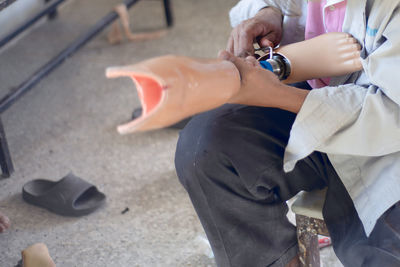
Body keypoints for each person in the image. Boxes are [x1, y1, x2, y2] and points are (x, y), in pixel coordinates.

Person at [174, 0, 400, 266]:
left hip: (386, 139)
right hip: (320, 95)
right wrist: (270, 14)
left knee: (378, 251)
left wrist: (277, 95)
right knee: (207, 149)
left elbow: (388, 114)